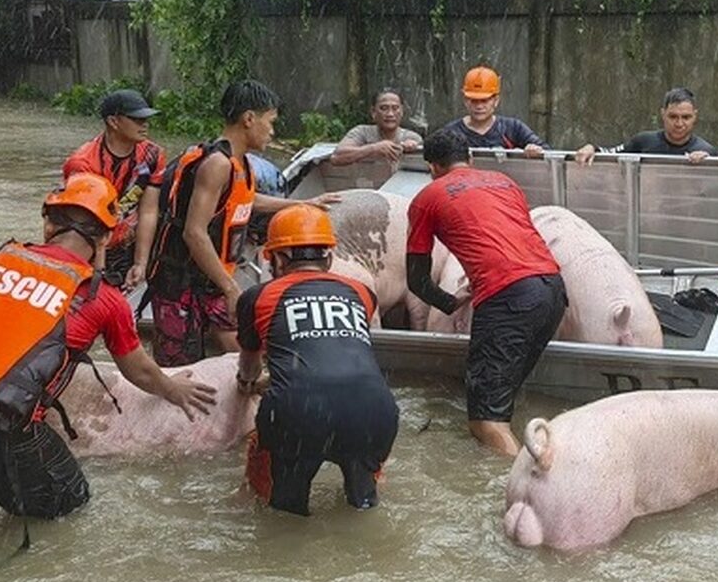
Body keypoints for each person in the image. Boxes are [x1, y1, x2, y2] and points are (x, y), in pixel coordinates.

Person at [0, 175, 217, 519]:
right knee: (69, 506)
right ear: (106, 237)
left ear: (48, 225)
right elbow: (139, 370)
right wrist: (173, 389)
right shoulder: (103, 298)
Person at [144, 79, 338, 367]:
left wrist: (303, 203)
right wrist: (231, 288)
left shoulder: (241, 163)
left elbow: (246, 199)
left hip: (212, 281)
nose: (272, 131)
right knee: (180, 372)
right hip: (179, 284)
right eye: (270, 122)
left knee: (247, 347)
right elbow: (194, 233)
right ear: (249, 119)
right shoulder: (217, 164)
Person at [406, 129, 567, 456]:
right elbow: (504, 238)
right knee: (502, 400)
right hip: (552, 289)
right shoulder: (504, 182)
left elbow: (416, 280)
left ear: (432, 167)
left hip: (509, 298)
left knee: (486, 422)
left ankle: (517, 483)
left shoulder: (428, 197)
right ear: (469, 158)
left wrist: (450, 302)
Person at [237, 204, 398, 515]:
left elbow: (250, 367)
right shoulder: (362, 293)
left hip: (297, 412)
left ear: (277, 259)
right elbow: (338, 350)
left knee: (280, 513)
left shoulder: (256, 297)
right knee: (362, 508)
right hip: (374, 410)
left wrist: (247, 384)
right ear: (329, 257)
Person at [62, 89, 167, 289]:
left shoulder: (153, 155)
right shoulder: (83, 164)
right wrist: (98, 270)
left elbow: (148, 210)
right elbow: (82, 224)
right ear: (113, 121)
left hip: (126, 242)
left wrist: (140, 263)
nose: (145, 124)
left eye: (146, 119)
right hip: (87, 245)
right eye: (137, 119)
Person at [575, 88, 718, 165]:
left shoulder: (707, 151)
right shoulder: (643, 141)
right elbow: (609, 154)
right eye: (673, 117)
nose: (679, 123)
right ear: (663, 114)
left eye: (686, 117)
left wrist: (708, 163)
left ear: (695, 116)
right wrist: (591, 148)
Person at [441, 66, 546, 156]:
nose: (479, 106)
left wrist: (535, 150)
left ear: (496, 101)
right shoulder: (451, 133)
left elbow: (547, 153)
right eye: (474, 101)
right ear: (465, 101)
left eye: (484, 101)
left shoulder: (513, 128)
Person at [331, 88, 423, 165]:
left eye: (395, 108)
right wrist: (374, 149)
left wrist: (413, 149)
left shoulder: (412, 137)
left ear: (402, 112)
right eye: (384, 108)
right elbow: (336, 157)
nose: (390, 114)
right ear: (373, 112)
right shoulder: (361, 132)